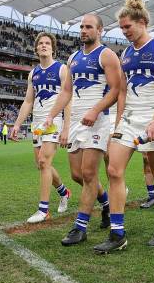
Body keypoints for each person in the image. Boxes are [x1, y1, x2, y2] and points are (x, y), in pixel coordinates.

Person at [93, 0, 154, 254]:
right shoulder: (126, 54)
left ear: (142, 22)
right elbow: (122, 93)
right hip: (129, 119)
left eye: (128, 27)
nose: (124, 32)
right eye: (121, 28)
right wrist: (117, 126)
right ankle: (117, 233)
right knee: (115, 171)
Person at [45, 14, 121, 246]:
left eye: (89, 27)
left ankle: (80, 227)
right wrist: (51, 115)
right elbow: (66, 92)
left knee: (89, 173)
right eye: (81, 27)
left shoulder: (106, 55)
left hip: (97, 121)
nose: (83, 30)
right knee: (77, 175)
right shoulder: (73, 58)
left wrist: (96, 110)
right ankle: (106, 203)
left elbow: (116, 89)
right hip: (77, 121)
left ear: (100, 31)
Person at [10, 32, 72, 223]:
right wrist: (18, 124)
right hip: (37, 124)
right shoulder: (33, 73)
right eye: (41, 43)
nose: (44, 46)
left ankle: (43, 210)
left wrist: (66, 128)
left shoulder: (62, 69)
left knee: (44, 162)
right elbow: (28, 101)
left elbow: (68, 99)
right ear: (36, 49)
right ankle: (64, 192)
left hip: (54, 122)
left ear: (53, 48)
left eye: (47, 43)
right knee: (41, 164)